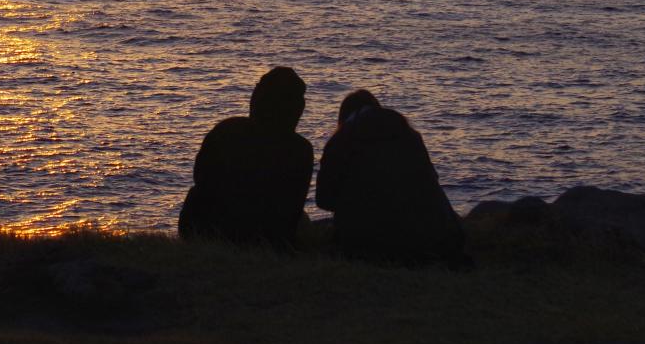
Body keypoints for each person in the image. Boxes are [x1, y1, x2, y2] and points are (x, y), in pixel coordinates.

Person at [315, 89, 467, 265]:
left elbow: (324, 200)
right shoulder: (410, 136)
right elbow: (431, 181)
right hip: (432, 239)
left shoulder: (341, 140)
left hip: (369, 244)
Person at [178, 66, 315, 249]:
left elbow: (201, 177)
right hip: (267, 240)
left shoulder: (226, 131)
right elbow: (293, 204)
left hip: (211, 231)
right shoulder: (301, 150)